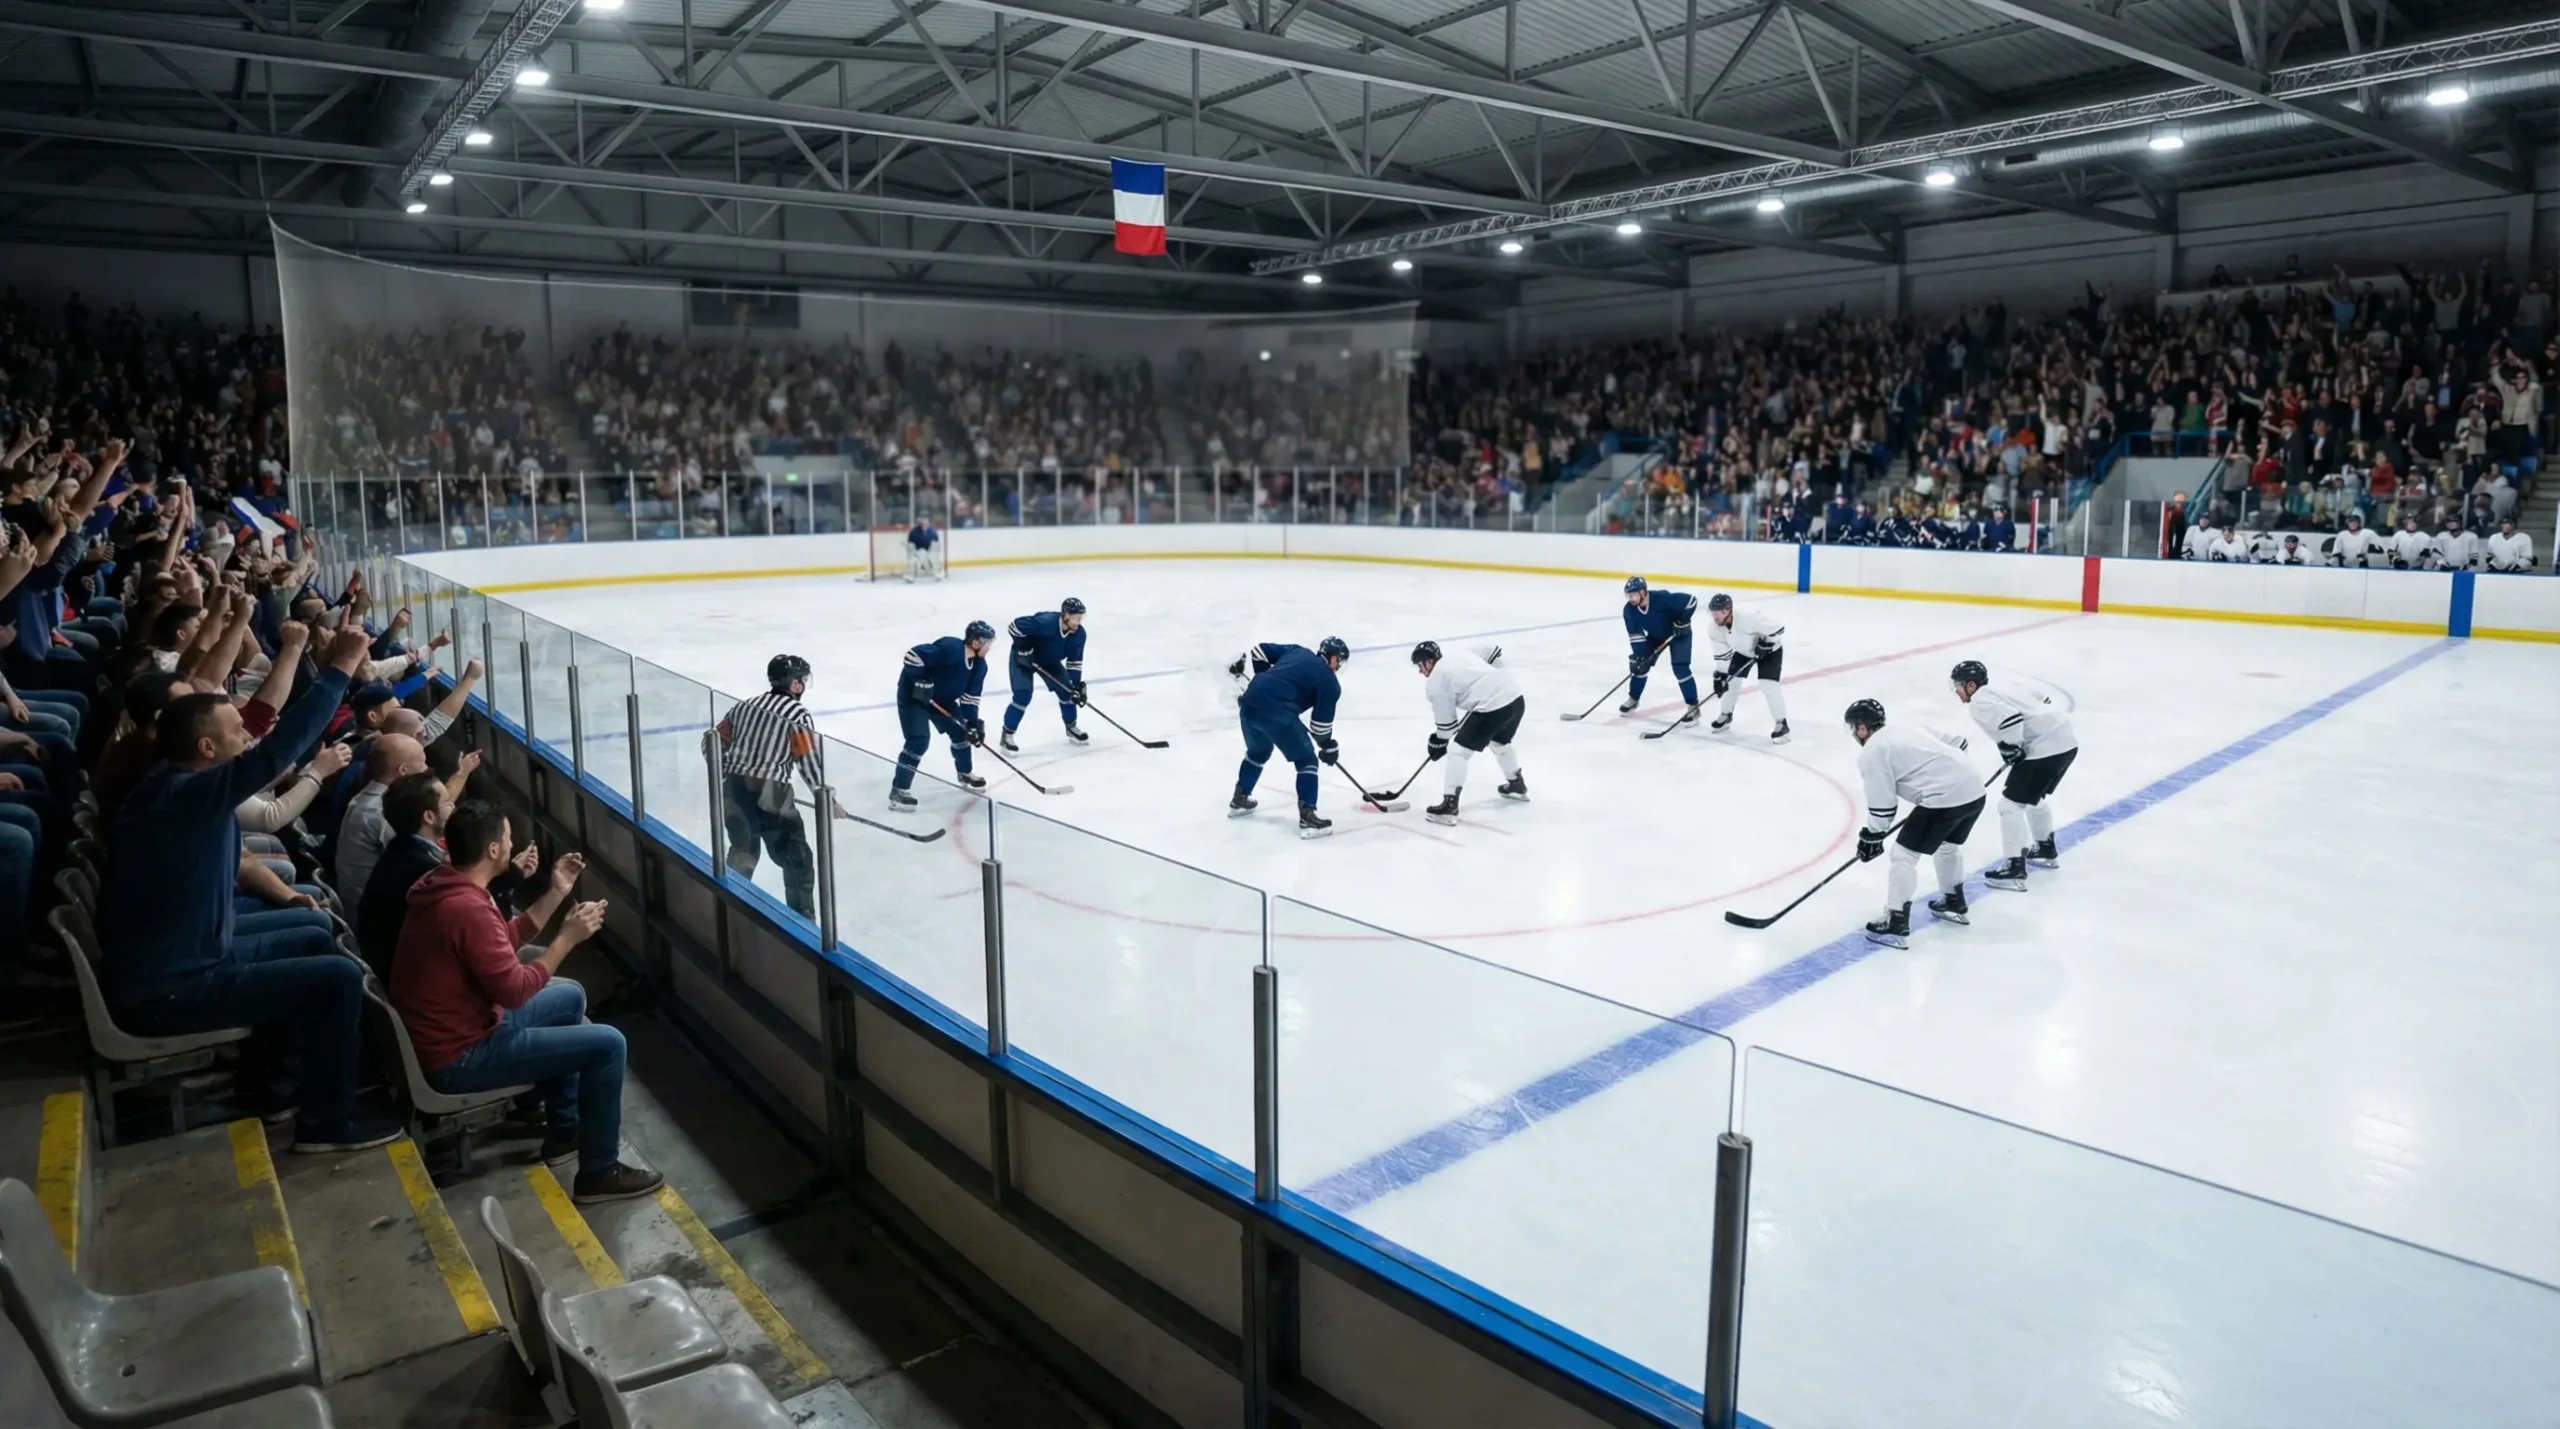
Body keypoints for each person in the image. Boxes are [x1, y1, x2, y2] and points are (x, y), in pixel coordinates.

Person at [102, 624, 403, 1153]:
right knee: (336, 978)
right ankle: (326, 1122)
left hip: (192, 955)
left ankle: (274, 1085)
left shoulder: (176, 786)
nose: (246, 738)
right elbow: (278, 749)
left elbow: (261, 764)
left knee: (312, 931)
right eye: (236, 732)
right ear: (206, 748)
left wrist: (286, 895)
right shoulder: (189, 795)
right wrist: (340, 668)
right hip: (172, 988)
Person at [389, 799, 662, 1205]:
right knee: (609, 1045)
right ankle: (599, 1173)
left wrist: (556, 892)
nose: (511, 844)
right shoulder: (466, 908)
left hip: (461, 1028)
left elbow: (505, 939)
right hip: (461, 1056)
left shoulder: (448, 884)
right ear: (493, 850)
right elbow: (515, 990)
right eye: (507, 838)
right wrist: (567, 939)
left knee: (568, 997)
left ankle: (564, 1130)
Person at [1845, 697, 1984, 950]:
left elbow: (1883, 803)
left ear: (1862, 727)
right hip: (1975, 789)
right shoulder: (1906, 728)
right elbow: (1959, 743)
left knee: (1903, 855)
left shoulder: (1873, 751)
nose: (1854, 734)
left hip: (1944, 799)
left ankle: (1896, 919)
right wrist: (1948, 776)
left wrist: (1872, 835)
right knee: (1947, 846)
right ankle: (1953, 902)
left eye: (1854, 728)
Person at [1948, 662, 2077, 893]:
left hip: (2045, 748)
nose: (1956, 691)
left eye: (1958, 686)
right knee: (2033, 798)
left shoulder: (1979, 701)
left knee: (2010, 806)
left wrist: (2014, 746)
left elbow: (2011, 720)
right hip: (2066, 741)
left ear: (1971, 685)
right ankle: (2045, 848)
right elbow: (2044, 699)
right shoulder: (2003, 686)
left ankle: (2014, 867)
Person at [715, 654, 826, 915]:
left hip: (733, 791)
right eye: (803, 680)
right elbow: (807, 760)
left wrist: (730, 773)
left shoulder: (745, 706)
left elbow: (711, 742)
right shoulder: (797, 714)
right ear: (795, 684)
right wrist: (824, 796)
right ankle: (802, 924)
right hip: (772, 795)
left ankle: (728, 911)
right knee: (797, 863)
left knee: (743, 851)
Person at [1229, 636, 1347, 839]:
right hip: (1277, 713)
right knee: (1307, 760)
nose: (1339, 667)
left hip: (1249, 703)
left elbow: (1259, 652)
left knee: (1259, 751)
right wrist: (1328, 745)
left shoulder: (1297, 651)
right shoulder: (1329, 682)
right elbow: (1320, 728)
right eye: (1340, 661)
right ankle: (1308, 817)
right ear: (1333, 658)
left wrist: (1264, 683)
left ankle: (1240, 799)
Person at [1411, 641, 1526, 826]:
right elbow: (1492, 651)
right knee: (1499, 742)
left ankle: (1449, 806)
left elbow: (1447, 727)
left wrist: (1437, 742)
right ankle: (1516, 784)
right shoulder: (1459, 653)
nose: (1419, 671)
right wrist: (1496, 680)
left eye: (1420, 665)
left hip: (1493, 707)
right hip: (1515, 697)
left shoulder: (1436, 681)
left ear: (1429, 661)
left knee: (1458, 751)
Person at [889, 623, 991, 813]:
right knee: (918, 741)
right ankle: (899, 790)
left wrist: (971, 724)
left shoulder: (980, 666)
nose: (989, 647)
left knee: (962, 732)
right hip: (914, 697)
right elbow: (913, 656)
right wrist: (922, 680)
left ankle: (965, 773)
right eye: (987, 642)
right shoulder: (951, 649)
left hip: (942, 699)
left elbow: (970, 698)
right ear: (975, 642)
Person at [1000, 597, 1088, 753]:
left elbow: (1074, 663)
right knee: (1022, 695)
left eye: (1080, 618)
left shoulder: (1079, 635)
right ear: (1066, 616)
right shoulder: (1047, 622)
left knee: (1068, 692)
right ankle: (1007, 735)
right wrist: (1023, 647)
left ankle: (1071, 727)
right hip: (1024, 659)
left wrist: (1075, 686)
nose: (1078, 622)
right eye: (1076, 618)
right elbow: (1014, 626)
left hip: (1049, 661)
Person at [1704, 593, 1790, 743]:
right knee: (1730, 682)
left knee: (1768, 685)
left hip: (1770, 651)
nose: (1714, 616)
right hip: (1743, 651)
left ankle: (1781, 724)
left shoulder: (1747, 618)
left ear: (1728, 609)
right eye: (1713, 612)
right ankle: (1726, 715)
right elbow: (1722, 656)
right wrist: (1721, 675)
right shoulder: (1714, 629)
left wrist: (1767, 643)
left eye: (1717, 612)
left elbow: (1778, 628)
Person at [1618, 576, 1700, 720]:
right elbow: (1636, 636)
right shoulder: (1629, 610)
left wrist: (1682, 621)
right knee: (1640, 664)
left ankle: (1693, 706)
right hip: (1657, 636)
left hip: (1679, 634)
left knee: (1680, 668)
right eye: (1629, 595)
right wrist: (1641, 657)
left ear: (1643, 592)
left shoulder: (1661, 598)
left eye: (1634, 595)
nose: (1631, 599)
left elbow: (1691, 601)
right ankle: (1633, 699)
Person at [905, 517, 942, 582]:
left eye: (925, 523)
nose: (924, 525)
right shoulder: (914, 531)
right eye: (922, 523)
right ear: (919, 524)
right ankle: (910, 577)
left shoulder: (932, 531)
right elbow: (910, 542)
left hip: (930, 550)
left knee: (935, 560)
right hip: (919, 550)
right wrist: (912, 551)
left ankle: (938, 575)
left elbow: (936, 541)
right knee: (914, 561)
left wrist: (934, 549)